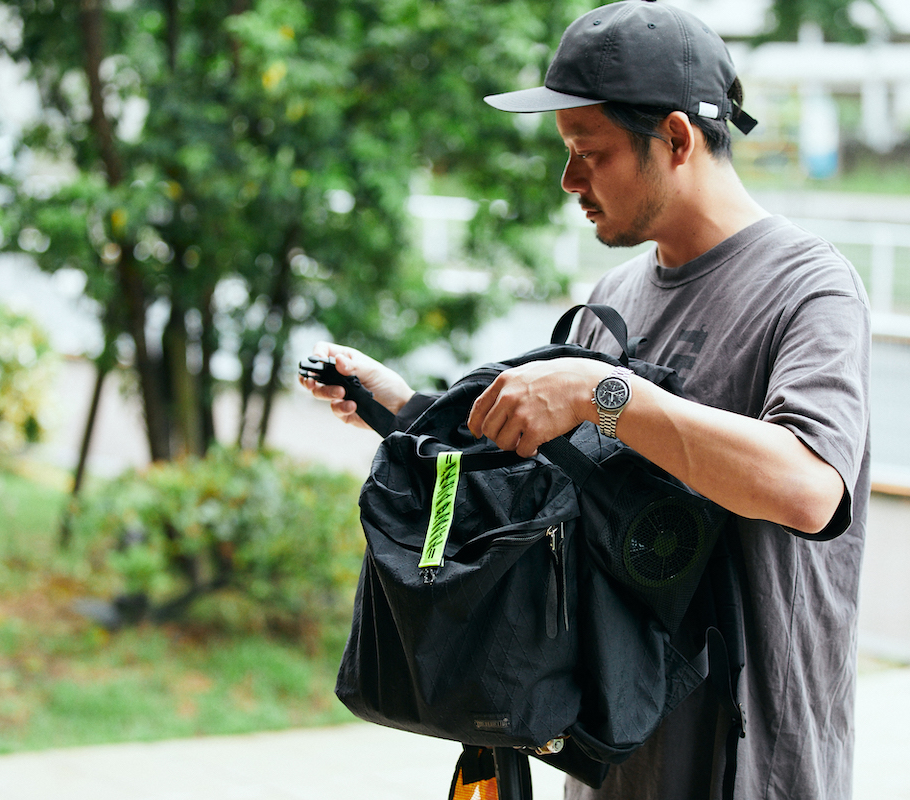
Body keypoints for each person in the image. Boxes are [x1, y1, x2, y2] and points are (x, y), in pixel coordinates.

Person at [301, 1, 870, 798]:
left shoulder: (807, 288)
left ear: (675, 139)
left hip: (749, 766)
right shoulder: (620, 291)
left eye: (587, 152)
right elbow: (564, 486)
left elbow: (810, 489)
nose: (568, 179)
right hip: (607, 759)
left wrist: (601, 391)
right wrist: (406, 410)